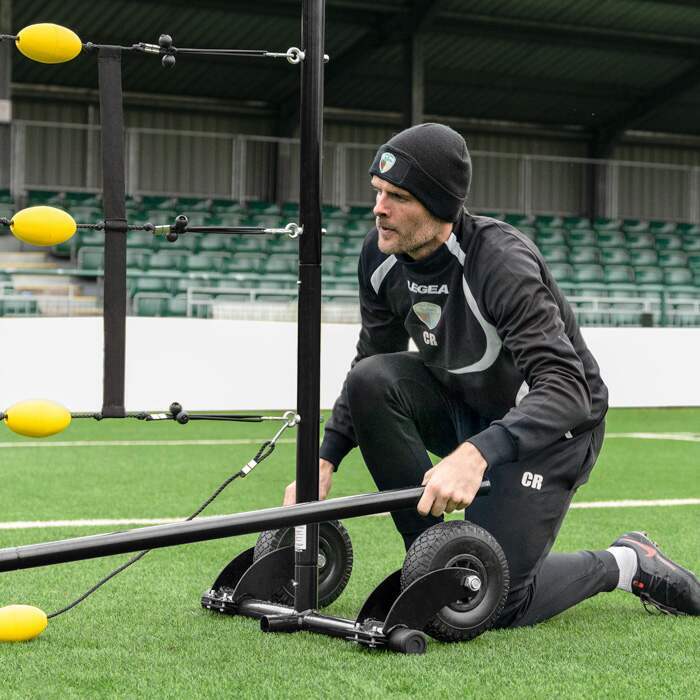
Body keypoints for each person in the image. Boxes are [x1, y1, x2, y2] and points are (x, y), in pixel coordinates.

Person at [284, 123, 700, 626]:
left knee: (499, 601)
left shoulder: (500, 262)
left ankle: (626, 562)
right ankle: (436, 563)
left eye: (397, 196)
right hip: (468, 411)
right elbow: (372, 358)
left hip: (554, 432)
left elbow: (568, 389)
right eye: (378, 192)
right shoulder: (380, 254)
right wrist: (324, 459)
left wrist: (479, 452)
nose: (379, 208)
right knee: (372, 379)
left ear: (438, 206)